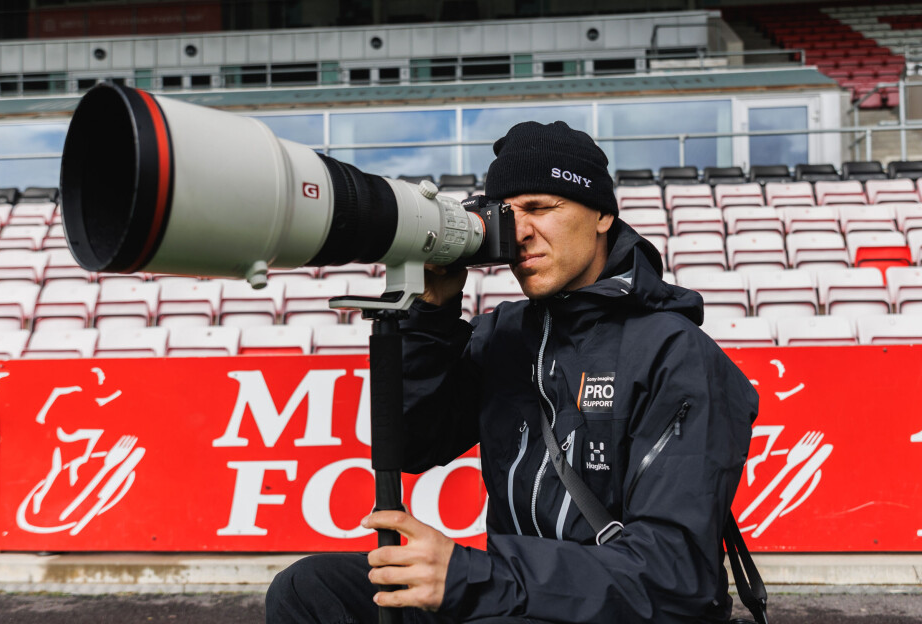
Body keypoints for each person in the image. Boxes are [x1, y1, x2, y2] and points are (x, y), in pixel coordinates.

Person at [266, 121, 758, 624]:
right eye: (507, 214)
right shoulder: (504, 334)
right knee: (311, 591)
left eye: (542, 208)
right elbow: (411, 445)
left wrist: (472, 576)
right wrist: (432, 313)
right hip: (510, 597)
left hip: (611, 610)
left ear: (603, 214)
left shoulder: (678, 354)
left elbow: (676, 578)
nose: (520, 233)